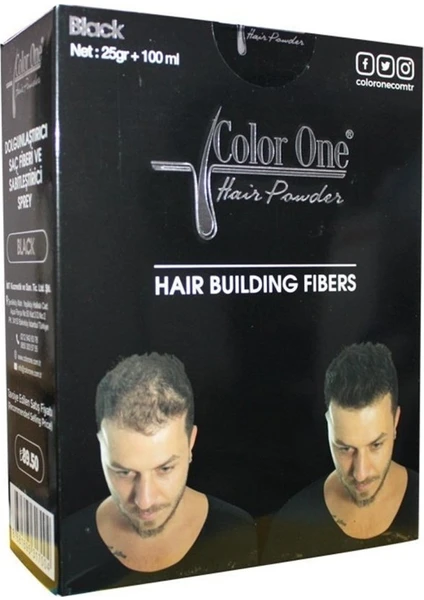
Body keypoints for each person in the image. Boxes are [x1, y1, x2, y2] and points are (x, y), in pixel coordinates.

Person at [63, 353, 257, 593]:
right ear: (101, 448)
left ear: (191, 443)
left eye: (165, 469)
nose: (144, 501)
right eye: (124, 472)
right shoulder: (66, 542)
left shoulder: (238, 532)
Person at [261, 342, 419, 564]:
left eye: (376, 445)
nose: (360, 473)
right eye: (345, 448)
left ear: (396, 422)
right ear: (328, 425)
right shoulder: (291, 526)